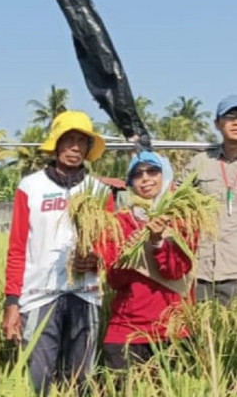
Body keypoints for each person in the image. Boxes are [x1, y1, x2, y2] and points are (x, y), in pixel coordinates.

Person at [2, 110, 111, 397]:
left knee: (80, 380)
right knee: (38, 382)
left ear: (88, 148)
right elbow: (17, 248)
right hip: (39, 294)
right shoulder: (31, 187)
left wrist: (97, 258)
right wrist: (12, 301)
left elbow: (111, 244)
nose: (75, 147)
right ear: (56, 143)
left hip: (85, 293)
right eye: (68, 140)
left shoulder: (99, 191)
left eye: (81, 141)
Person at [98, 151, 193, 370]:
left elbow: (177, 271)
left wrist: (158, 242)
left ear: (166, 176)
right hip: (127, 327)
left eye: (153, 171)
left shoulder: (183, 218)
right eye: (137, 174)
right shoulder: (120, 222)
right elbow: (115, 280)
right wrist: (131, 252)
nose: (145, 178)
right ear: (130, 182)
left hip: (172, 328)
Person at [185, 95, 237, 305]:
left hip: (235, 269)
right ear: (217, 124)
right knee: (200, 335)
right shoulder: (200, 163)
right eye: (230, 116)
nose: (236, 122)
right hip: (202, 271)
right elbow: (176, 207)